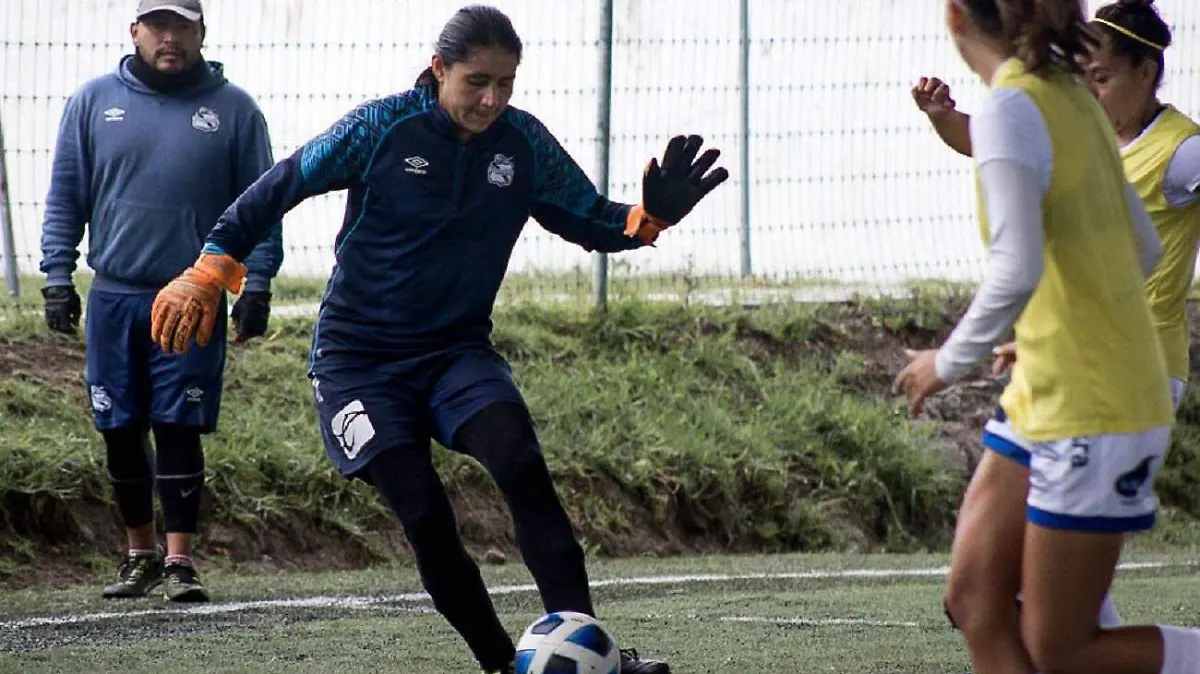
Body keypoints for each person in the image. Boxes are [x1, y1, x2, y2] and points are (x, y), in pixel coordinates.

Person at [148, 4, 726, 672]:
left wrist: (649, 216)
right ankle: (499, 664)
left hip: (456, 354)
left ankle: (588, 657)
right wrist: (211, 267)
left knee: (520, 463)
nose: (492, 98)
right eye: (477, 80)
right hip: (357, 365)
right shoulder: (380, 127)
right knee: (423, 513)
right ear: (438, 68)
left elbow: (590, 217)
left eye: (506, 83)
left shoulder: (523, 144)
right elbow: (280, 186)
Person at [896, 1, 1200, 673]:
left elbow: (1016, 269)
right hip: (1050, 388)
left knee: (1061, 648)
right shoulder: (1067, 93)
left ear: (954, 16)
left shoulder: (1014, 105)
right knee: (976, 600)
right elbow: (1142, 249)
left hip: (1093, 403)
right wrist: (1050, 328)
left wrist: (943, 364)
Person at [38, 0, 283, 602]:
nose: (169, 38)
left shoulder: (235, 111)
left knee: (178, 424)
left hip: (193, 296)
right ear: (136, 31)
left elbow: (262, 207)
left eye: (183, 26)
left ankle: (180, 563)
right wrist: (56, 276)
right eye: (158, 26)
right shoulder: (93, 102)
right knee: (119, 427)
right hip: (116, 296)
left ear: (202, 32)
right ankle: (138, 554)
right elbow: (66, 193)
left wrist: (258, 283)